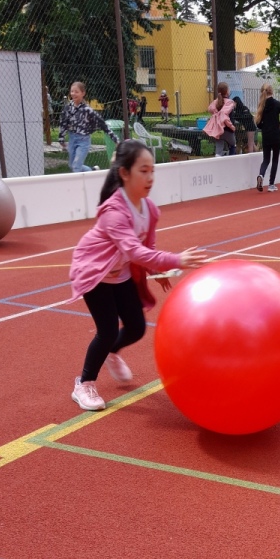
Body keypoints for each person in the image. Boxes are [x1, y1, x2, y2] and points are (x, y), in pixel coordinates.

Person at [67, 139, 205, 411]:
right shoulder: (113, 211)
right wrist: (176, 260)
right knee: (107, 330)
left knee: (136, 327)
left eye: (152, 170)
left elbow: (147, 248)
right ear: (124, 173)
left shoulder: (149, 209)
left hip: (121, 273)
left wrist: (157, 268)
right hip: (95, 273)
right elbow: (135, 251)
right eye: (143, 171)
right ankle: (83, 384)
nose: (150, 177)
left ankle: (111, 352)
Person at [58, 82, 114, 173]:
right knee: (72, 165)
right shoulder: (67, 108)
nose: (73, 94)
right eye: (72, 91)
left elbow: (102, 123)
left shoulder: (87, 110)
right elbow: (63, 123)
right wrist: (61, 138)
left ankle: (82, 182)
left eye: (76, 92)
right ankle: (92, 171)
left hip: (83, 140)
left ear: (83, 93)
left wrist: (115, 138)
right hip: (72, 139)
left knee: (76, 167)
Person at [255, 83, 280, 192]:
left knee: (266, 160)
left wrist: (264, 127)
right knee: (275, 160)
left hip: (266, 135)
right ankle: (271, 184)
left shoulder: (262, 105)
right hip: (275, 135)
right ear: (272, 91)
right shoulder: (276, 104)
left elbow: (258, 123)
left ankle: (261, 175)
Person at [204, 82, 236, 157]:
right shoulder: (229, 102)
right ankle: (232, 160)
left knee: (218, 149)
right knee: (233, 144)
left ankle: (217, 160)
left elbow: (210, 109)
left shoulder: (215, 102)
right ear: (227, 91)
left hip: (218, 130)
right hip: (228, 130)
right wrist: (232, 127)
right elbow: (224, 116)